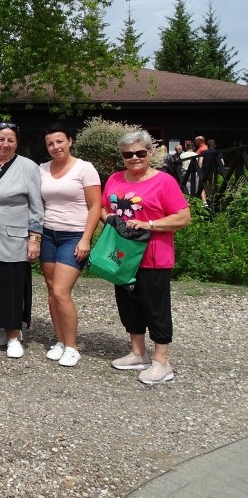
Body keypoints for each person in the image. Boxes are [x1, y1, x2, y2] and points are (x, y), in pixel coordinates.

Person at [102, 130, 190, 385]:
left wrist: (149, 224)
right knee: (128, 305)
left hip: (153, 256)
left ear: (150, 153)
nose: (134, 158)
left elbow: (183, 217)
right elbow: (105, 208)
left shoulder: (163, 181)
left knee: (156, 307)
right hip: (122, 255)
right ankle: (138, 352)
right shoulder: (115, 179)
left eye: (140, 153)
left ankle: (162, 361)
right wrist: (110, 219)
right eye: (128, 154)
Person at [0, 122, 43, 359]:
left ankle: (15, 336)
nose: (5, 144)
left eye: (10, 140)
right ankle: (4, 330)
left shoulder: (28, 167)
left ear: (17, 143)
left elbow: (36, 206)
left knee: (12, 288)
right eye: (1, 139)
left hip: (13, 238)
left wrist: (34, 239)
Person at [38, 124, 101, 367]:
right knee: (52, 290)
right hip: (48, 234)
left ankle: (73, 346)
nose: (56, 147)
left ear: (70, 141)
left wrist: (86, 238)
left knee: (62, 292)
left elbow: (95, 205)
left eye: (60, 142)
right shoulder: (42, 169)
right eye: (50, 144)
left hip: (74, 235)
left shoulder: (85, 168)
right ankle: (61, 340)